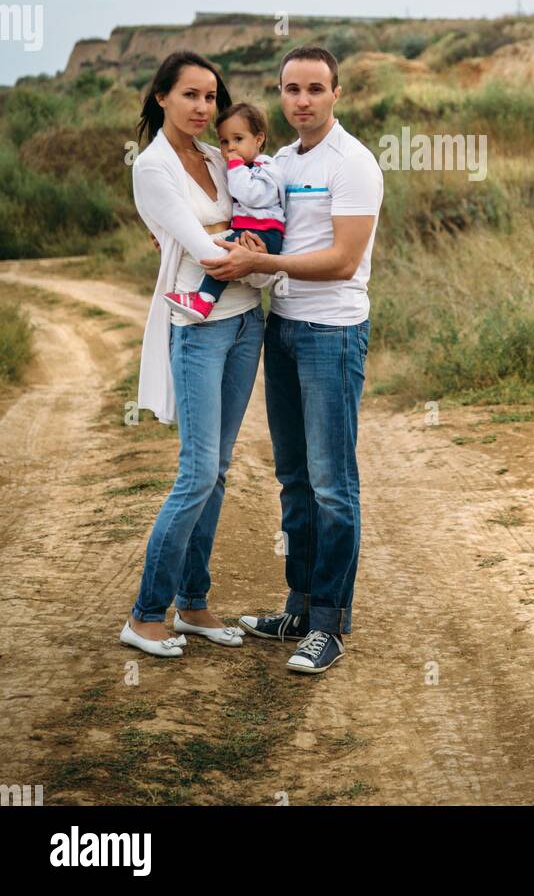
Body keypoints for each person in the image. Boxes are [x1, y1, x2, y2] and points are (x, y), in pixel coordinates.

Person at [200, 46, 384, 674]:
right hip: (280, 326)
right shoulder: (279, 160)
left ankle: (329, 624)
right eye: (290, 89)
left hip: (331, 333)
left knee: (333, 484)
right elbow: (244, 211)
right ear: (280, 96)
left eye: (314, 88)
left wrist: (263, 264)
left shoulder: (353, 163)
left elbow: (341, 261)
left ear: (337, 93)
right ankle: (299, 608)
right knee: (294, 479)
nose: (302, 99)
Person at [119, 51, 271, 659]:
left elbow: (260, 214)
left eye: (211, 97)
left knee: (220, 470)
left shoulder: (216, 156)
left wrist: (243, 240)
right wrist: (246, 244)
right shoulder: (154, 168)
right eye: (190, 96)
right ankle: (145, 613)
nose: (204, 109)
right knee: (197, 471)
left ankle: (195, 602)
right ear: (162, 97)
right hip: (199, 327)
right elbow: (199, 246)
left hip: (244, 325)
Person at [163, 101, 285, 322]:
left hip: (265, 233)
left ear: (259, 139)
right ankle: (204, 298)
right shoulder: (240, 168)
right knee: (225, 251)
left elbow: (251, 195)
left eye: (238, 139)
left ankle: (204, 299)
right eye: (224, 141)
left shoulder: (266, 166)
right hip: (252, 231)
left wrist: (236, 167)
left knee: (224, 256)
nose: (230, 147)